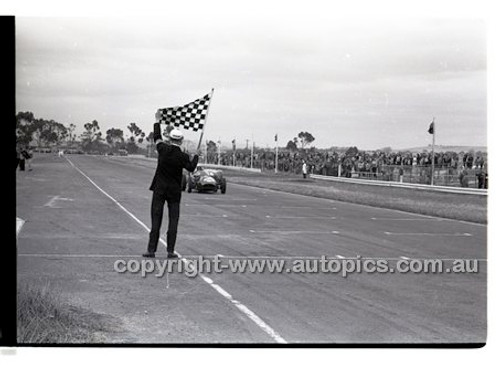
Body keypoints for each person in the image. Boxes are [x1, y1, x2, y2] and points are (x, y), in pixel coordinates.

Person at [143, 123, 199, 259]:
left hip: (160, 189)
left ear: (170, 139)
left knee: (156, 219)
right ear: (180, 141)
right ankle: (170, 250)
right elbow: (191, 168)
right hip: (174, 191)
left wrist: (157, 122)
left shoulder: (162, 148)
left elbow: (157, 137)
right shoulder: (183, 156)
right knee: (173, 221)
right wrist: (196, 156)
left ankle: (151, 250)